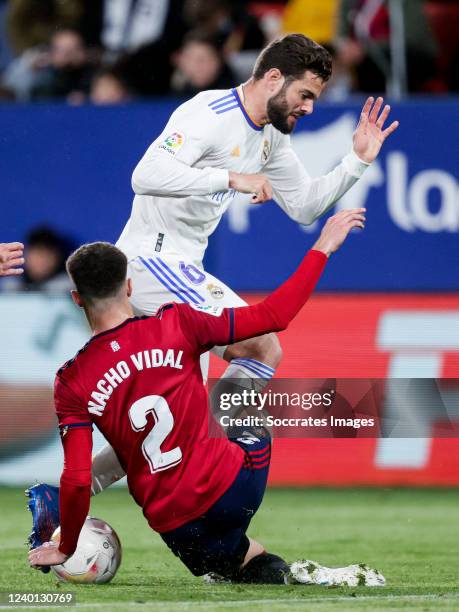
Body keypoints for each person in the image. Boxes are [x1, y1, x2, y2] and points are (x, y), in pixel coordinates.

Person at [87, 33, 398, 496]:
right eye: (305, 95)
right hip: (151, 260)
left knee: (185, 408)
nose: (309, 108)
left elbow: (304, 207)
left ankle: (68, 492)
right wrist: (230, 176)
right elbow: (144, 176)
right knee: (261, 348)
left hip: (174, 267)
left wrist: (356, 161)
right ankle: (213, 459)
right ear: (273, 77)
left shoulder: (270, 136)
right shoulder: (208, 115)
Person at [28, 210, 384, 586]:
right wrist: (323, 246)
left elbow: (78, 475)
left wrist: (65, 547)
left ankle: (264, 566)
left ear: (76, 299)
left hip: (176, 528)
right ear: (130, 287)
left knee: (223, 557)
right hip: (235, 487)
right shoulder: (177, 322)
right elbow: (275, 316)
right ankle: (286, 569)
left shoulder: (70, 379)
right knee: (245, 396)